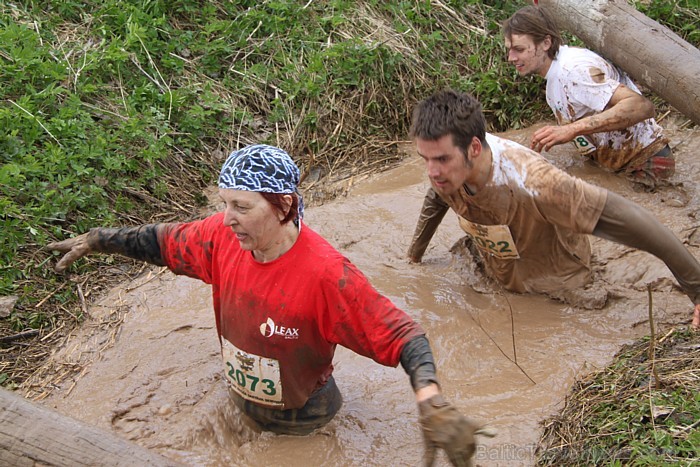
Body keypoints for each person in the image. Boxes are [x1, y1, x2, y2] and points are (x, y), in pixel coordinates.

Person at [48, 144, 494, 465]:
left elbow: (402, 334)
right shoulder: (221, 238)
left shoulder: (327, 275)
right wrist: (96, 240)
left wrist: (430, 399)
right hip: (239, 404)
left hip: (305, 426)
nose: (227, 219)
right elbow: (160, 241)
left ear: (282, 205)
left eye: (241, 206)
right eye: (224, 205)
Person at [406, 89, 700, 328]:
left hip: (558, 287)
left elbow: (638, 223)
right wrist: (414, 256)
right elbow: (437, 196)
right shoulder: (446, 169)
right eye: (425, 159)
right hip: (500, 267)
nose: (432, 171)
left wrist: (697, 291)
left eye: (441, 160)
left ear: (473, 148)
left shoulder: (536, 183)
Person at [502, 5, 674, 186]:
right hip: (619, 163)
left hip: (647, 162)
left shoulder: (574, 71)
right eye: (509, 50)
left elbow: (641, 107)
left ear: (546, 43)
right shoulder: (555, 79)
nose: (510, 58)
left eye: (519, 49)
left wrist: (571, 129)